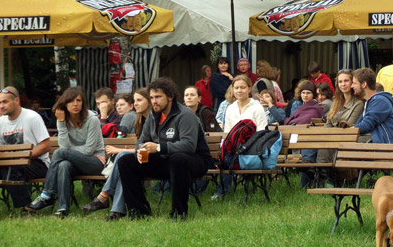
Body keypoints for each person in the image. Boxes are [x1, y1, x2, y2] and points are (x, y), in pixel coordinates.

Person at [117, 77, 212, 219]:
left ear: (170, 96)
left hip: (195, 161)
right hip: (167, 160)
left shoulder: (185, 115)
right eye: (152, 97)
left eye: (158, 97)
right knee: (125, 161)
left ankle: (179, 213)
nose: (154, 101)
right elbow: (142, 139)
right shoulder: (153, 116)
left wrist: (159, 148)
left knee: (177, 159)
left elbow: (189, 146)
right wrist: (139, 151)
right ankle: (138, 211)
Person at [27, 87, 104, 217]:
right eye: (71, 101)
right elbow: (64, 145)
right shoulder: (62, 119)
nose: (75, 104)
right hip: (74, 163)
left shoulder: (92, 119)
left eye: (79, 100)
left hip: (95, 162)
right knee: (63, 165)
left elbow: (88, 150)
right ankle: (63, 208)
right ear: (64, 104)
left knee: (59, 153)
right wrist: (62, 123)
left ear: (83, 103)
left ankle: (47, 194)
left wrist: (67, 152)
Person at [82, 88, 152, 220]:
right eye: (134, 100)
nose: (135, 103)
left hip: (152, 160)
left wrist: (121, 150)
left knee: (121, 158)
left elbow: (149, 148)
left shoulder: (137, 117)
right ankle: (116, 212)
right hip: (139, 159)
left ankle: (103, 197)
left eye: (139, 100)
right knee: (123, 166)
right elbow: (140, 146)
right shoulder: (139, 119)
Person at [0, 87, 51, 213]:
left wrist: (24, 157)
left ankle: (26, 208)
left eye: (5, 102)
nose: (1, 106)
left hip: (38, 163)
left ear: (16, 100)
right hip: (12, 164)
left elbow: (46, 146)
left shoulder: (32, 117)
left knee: (10, 167)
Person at [213, 75, 268, 199]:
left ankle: (221, 192)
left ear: (249, 89)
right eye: (236, 88)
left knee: (225, 161)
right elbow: (227, 132)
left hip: (251, 150)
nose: (239, 90)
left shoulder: (257, 107)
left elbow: (261, 132)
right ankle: (218, 190)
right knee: (217, 158)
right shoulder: (230, 108)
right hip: (232, 148)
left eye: (242, 87)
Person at [315, 69, 365, 185]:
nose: (343, 84)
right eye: (340, 81)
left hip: (347, 138)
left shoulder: (358, 103)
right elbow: (327, 124)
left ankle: (325, 179)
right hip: (332, 137)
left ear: (352, 82)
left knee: (325, 146)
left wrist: (332, 130)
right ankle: (319, 176)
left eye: (346, 81)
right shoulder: (336, 101)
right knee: (316, 144)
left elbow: (349, 126)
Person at [352, 68, 393, 143]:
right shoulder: (370, 101)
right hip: (371, 141)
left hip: (380, 145)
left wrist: (350, 131)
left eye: (354, 83)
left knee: (344, 142)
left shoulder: (381, 101)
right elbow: (359, 124)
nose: (352, 86)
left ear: (364, 84)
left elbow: (367, 124)